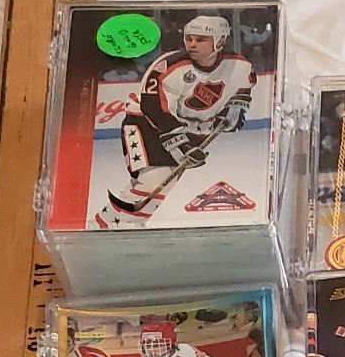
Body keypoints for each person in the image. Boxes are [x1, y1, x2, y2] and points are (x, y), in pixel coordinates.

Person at [95, 14, 255, 230]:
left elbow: (244, 87)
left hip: (186, 128)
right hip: (144, 121)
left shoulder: (240, 66)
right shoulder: (168, 66)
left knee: (160, 182)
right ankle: (127, 226)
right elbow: (153, 108)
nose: (192, 44)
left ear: (219, 41)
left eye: (200, 39)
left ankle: (106, 221)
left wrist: (236, 109)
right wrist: (181, 143)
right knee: (156, 178)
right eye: (189, 38)